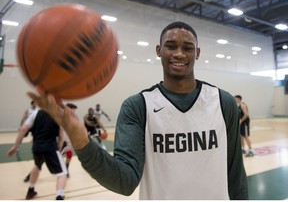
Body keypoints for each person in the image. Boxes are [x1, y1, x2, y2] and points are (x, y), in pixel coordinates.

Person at [27, 21, 248, 199]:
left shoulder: (223, 101)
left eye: (187, 48)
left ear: (197, 53)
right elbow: (124, 181)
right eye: (171, 46)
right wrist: (80, 138)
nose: (179, 53)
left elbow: (236, 175)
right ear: (159, 50)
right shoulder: (137, 106)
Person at [7, 109, 67, 200]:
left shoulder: (35, 113)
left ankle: (31, 190)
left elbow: (23, 129)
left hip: (37, 148)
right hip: (50, 148)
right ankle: (59, 196)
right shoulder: (58, 114)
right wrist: (59, 146)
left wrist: (15, 146)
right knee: (62, 173)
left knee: (37, 166)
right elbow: (61, 135)